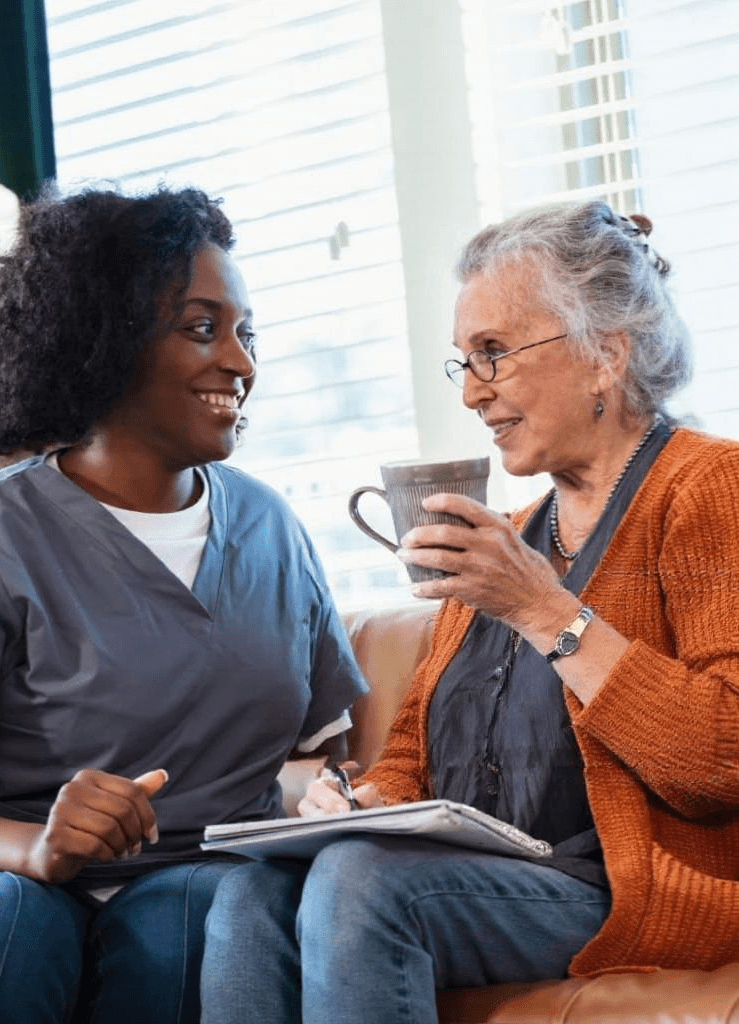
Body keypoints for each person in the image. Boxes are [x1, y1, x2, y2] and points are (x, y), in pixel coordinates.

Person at [200, 199, 739, 1024]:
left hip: (631, 888)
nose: (473, 394)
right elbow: (413, 745)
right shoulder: (512, 538)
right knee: (246, 892)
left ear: (605, 354)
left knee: (362, 884)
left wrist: (542, 609)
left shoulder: (707, 488)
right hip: (485, 877)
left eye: (494, 353)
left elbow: (721, 757)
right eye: (465, 363)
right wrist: (367, 800)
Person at [0, 185, 367, 1024]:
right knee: (6, 920)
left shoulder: (270, 528)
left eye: (245, 332)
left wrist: (331, 796)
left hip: (203, 886)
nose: (241, 362)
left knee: (197, 915)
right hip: (9, 883)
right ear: (102, 343)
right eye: (202, 328)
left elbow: (312, 762)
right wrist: (39, 849)